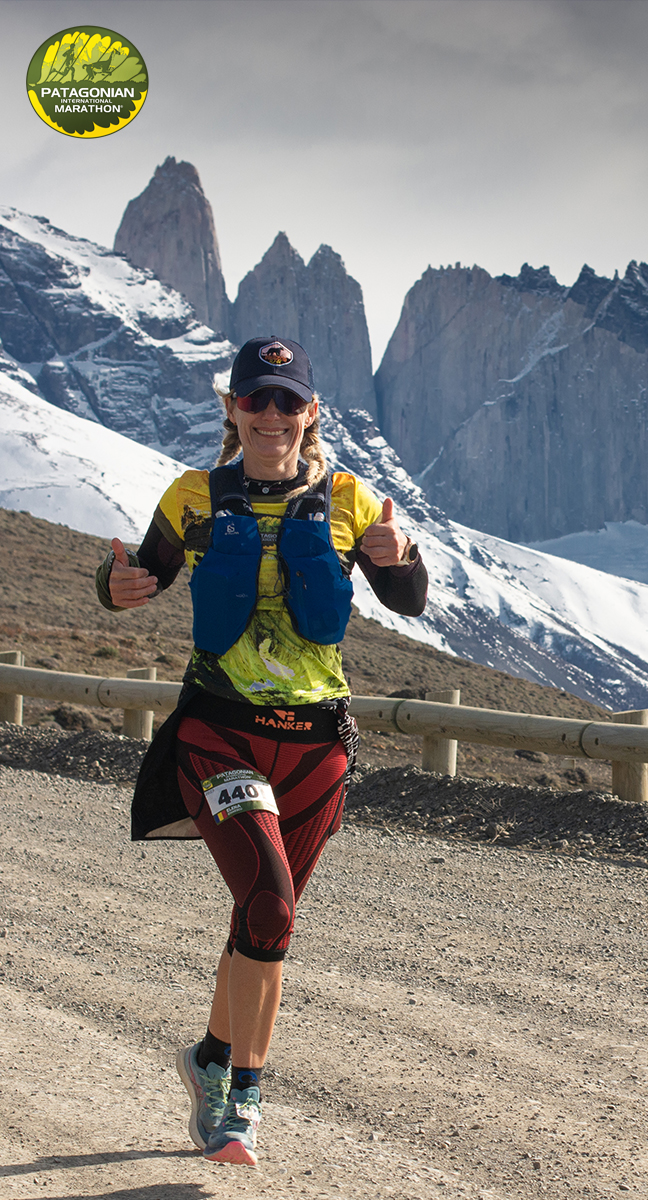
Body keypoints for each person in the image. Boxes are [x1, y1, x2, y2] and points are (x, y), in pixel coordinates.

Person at [96, 336, 427, 1166]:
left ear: (311, 412)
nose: (271, 414)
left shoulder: (351, 499)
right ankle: (240, 1103)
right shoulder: (193, 497)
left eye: (287, 400)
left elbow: (409, 600)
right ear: (232, 408)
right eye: (256, 398)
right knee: (272, 908)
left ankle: (210, 1058)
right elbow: (139, 576)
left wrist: (405, 556)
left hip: (317, 749)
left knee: (258, 921)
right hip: (221, 736)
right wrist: (113, 587)